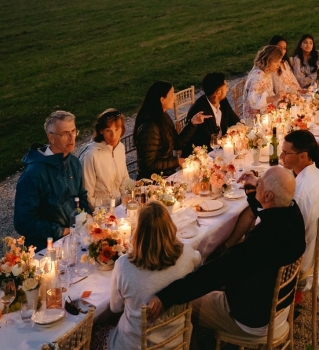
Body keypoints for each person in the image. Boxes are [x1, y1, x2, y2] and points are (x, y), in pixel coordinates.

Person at [148, 167, 305, 344]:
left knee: (183, 303)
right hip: (278, 306)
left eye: (259, 183)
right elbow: (267, 211)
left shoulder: (262, 241)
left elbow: (215, 273)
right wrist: (253, 189)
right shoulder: (292, 213)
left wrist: (166, 296)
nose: (257, 183)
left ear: (268, 196)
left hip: (252, 318)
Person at [100, 201, 201, 350]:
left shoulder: (123, 265)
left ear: (139, 232)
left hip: (135, 345)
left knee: (98, 329)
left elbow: (115, 308)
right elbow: (199, 271)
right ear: (170, 227)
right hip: (175, 340)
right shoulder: (188, 254)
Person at [14, 110, 93, 250]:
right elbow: (24, 222)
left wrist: (88, 217)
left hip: (77, 237)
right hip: (48, 248)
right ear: (51, 138)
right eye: (65, 133)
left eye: (73, 131)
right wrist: (61, 231)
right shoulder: (34, 174)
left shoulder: (73, 162)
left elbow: (81, 196)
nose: (72, 138)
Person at [279, 130, 319, 285]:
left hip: (300, 263)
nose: (281, 157)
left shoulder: (300, 194)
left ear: (302, 156)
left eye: (285, 153)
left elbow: (289, 236)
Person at [134, 81, 205, 180]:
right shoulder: (150, 127)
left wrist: (192, 124)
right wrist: (177, 161)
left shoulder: (163, 116)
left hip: (166, 176)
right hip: (153, 182)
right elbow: (149, 164)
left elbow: (177, 143)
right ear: (162, 100)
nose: (175, 97)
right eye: (172, 94)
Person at [79, 108, 129, 210]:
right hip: (100, 211)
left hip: (120, 207)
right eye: (108, 130)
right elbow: (87, 194)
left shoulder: (120, 148)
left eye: (117, 129)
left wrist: (125, 203)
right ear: (101, 130)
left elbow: (125, 179)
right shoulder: (91, 155)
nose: (113, 136)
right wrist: (102, 214)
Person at [181, 73, 240, 153]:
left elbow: (235, 122)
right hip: (204, 155)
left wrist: (241, 129)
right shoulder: (199, 111)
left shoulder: (223, 101)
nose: (227, 89)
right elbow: (205, 142)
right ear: (218, 93)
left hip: (220, 150)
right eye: (226, 86)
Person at [242, 45, 285, 120]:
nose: (279, 65)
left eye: (280, 61)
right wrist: (275, 97)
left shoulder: (266, 72)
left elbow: (269, 92)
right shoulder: (257, 76)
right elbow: (253, 100)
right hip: (255, 119)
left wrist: (279, 100)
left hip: (265, 112)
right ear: (267, 60)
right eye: (276, 62)